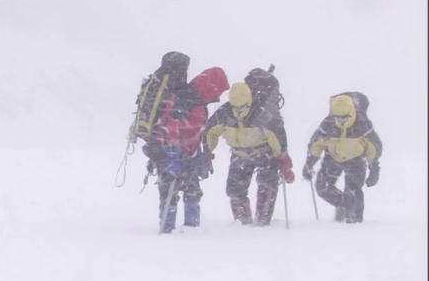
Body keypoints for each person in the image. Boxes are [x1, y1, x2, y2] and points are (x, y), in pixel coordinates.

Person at [143, 66, 230, 233]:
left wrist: (203, 156)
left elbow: (198, 132)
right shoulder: (186, 100)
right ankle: (168, 230)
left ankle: (190, 229)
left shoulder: (197, 101)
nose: (218, 96)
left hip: (188, 154)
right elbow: (173, 130)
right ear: (212, 87)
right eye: (218, 90)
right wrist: (173, 159)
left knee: (190, 191)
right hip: (171, 154)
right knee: (172, 193)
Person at [203, 82, 294, 226]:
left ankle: (262, 221)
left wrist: (283, 161)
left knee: (267, 185)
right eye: (235, 107)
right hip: (239, 154)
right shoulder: (224, 113)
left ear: (250, 101)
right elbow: (209, 132)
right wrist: (207, 153)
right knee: (234, 190)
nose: (239, 111)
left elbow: (278, 138)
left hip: (264, 153)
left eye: (243, 107)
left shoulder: (263, 113)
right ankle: (242, 223)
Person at [302, 92, 383, 223]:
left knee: (354, 188)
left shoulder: (363, 125)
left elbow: (374, 148)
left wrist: (374, 169)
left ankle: (355, 221)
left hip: (356, 160)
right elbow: (315, 145)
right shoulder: (327, 125)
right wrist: (309, 164)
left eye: (345, 117)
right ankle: (346, 205)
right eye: (337, 117)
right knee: (322, 187)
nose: (341, 121)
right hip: (332, 158)